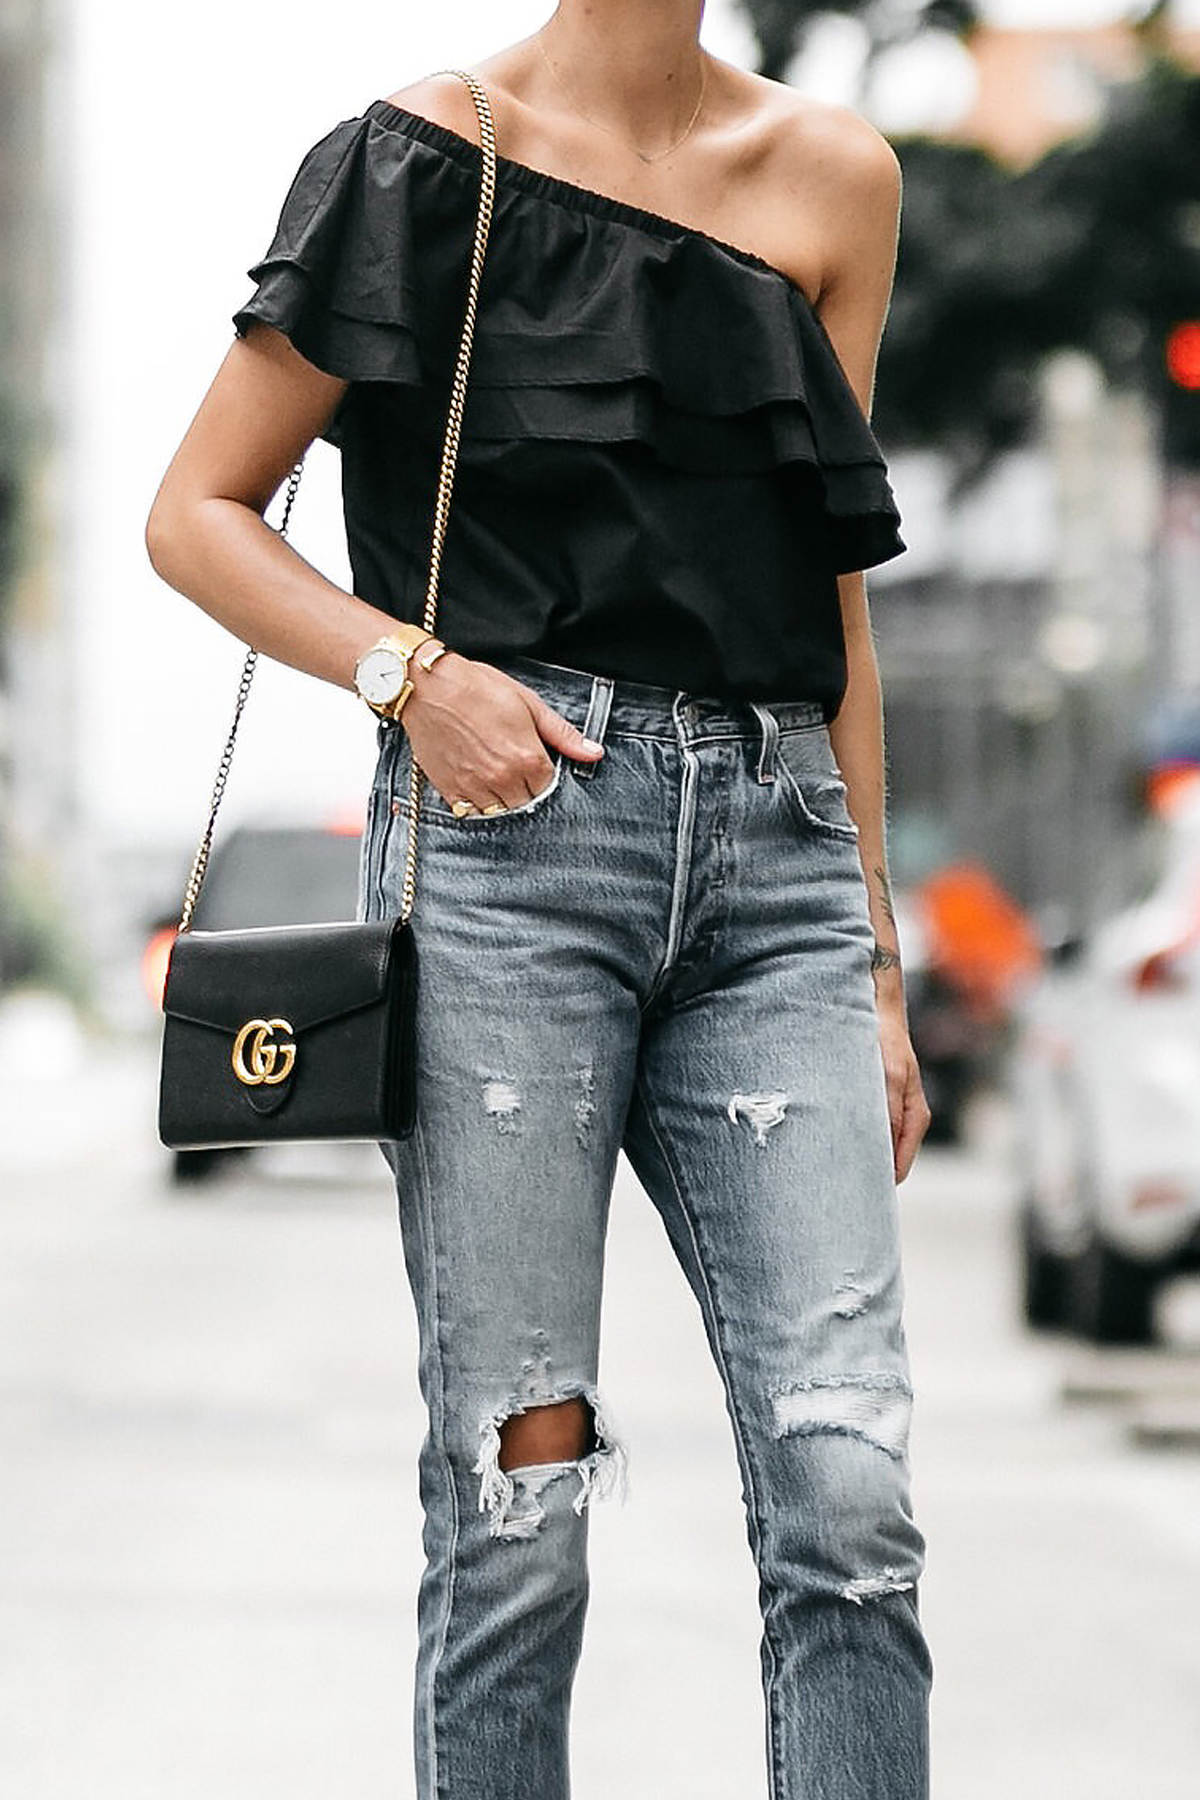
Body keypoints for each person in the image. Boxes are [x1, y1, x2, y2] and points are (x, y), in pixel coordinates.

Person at [144, 4, 934, 1795]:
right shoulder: (418, 162)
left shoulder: (834, 180)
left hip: (781, 870)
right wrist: (410, 674)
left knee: (851, 1488)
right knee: (522, 1492)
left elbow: (838, 600)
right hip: (510, 859)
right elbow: (197, 511)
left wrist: (876, 964)